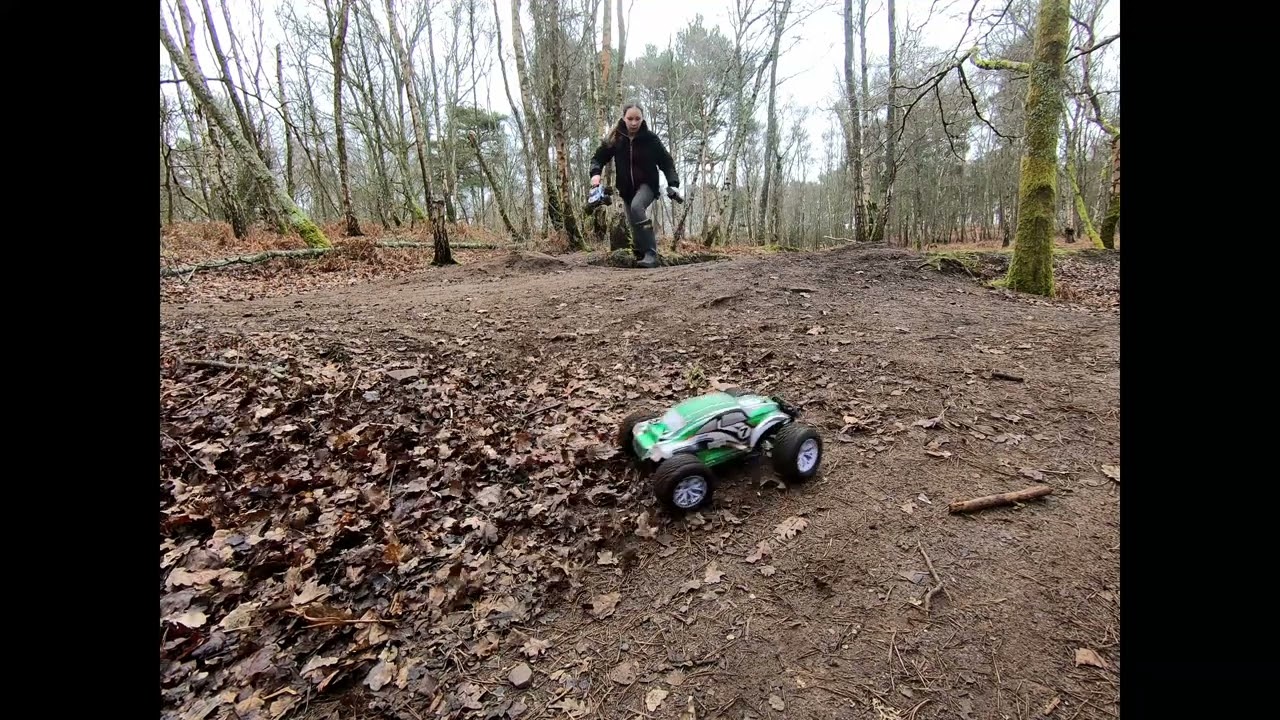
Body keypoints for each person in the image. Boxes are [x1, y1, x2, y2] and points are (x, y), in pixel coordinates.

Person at [589, 103, 679, 268]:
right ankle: (640, 254)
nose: (634, 122)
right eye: (630, 118)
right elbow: (598, 157)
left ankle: (652, 253)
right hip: (626, 189)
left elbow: (666, 161)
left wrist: (673, 184)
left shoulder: (650, 139)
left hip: (648, 185)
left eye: (637, 118)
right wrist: (595, 174)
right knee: (633, 221)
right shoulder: (616, 138)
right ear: (624, 118)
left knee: (638, 207)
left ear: (642, 119)